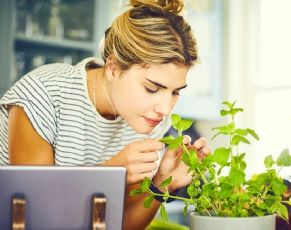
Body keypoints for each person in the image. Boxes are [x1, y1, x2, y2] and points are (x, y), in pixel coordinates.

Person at [0, 0, 210, 229]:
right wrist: (111, 172)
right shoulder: (43, 94)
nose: (166, 109)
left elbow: (119, 224)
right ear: (113, 68)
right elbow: (34, 217)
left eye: (175, 92)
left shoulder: (151, 121)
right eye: (152, 89)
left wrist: (160, 186)